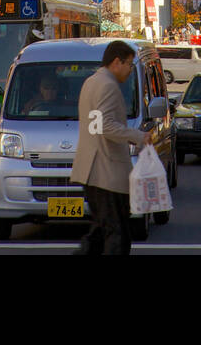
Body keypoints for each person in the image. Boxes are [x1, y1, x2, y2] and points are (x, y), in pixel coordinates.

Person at [70, 40, 152, 256]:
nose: (129, 70)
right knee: (116, 233)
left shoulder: (92, 81)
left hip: (93, 170)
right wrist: (138, 136)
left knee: (101, 231)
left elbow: (97, 124)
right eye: (129, 64)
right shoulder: (107, 85)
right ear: (117, 62)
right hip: (106, 170)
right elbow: (103, 126)